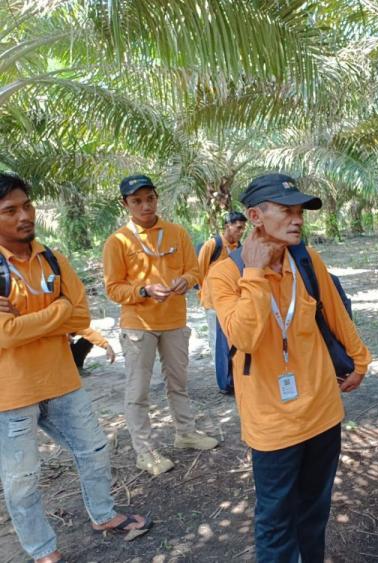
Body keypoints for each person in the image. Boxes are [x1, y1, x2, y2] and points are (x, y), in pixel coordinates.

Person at [207, 173, 372, 562]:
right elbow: (245, 336)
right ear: (255, 216)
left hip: (322, 410)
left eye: (300, 212)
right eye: (287, 211)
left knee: (314, 512)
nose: (298, 219)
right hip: (271, 424)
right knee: (276, 520)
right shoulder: (224, 275)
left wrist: (360, 360)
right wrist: (254, 273)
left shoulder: (306, 259)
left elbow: (336, 315)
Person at [0, 173, 152, 563]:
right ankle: (41, 550)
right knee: (23, 480)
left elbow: (81, 313)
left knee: (95, 450)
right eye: (10, 210)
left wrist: (40, 319)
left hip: (61, 380)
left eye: (27, 205)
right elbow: (6, 335)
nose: (25, 216)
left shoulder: (51, 257)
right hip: (10, 393)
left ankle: (103, 515)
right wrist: (58, 311)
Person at [103, 174, 218, 477]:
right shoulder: (118, 241)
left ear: (156, 198)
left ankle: (185, 433)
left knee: (178, 383)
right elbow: (113, 288)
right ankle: (145, 451)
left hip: (174, 322)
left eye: (149, 198)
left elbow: (194, 271)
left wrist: (187, 280)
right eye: (137, 200)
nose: (145, 205)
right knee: (138, 391)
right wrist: (143, 291)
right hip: (138, 326)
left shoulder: (177, 233)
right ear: (125, 204)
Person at [197, 211, 247, 393]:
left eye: (243, 228)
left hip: (233, 300)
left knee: (232, 339)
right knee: (216, 340)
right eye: (238, 227)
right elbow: (199, 271)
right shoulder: (213, 245)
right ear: (227, 225)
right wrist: (204, 294)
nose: (241, 231)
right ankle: (222, 380)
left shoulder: (239, 247)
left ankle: (232, 375)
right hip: (212, 302)